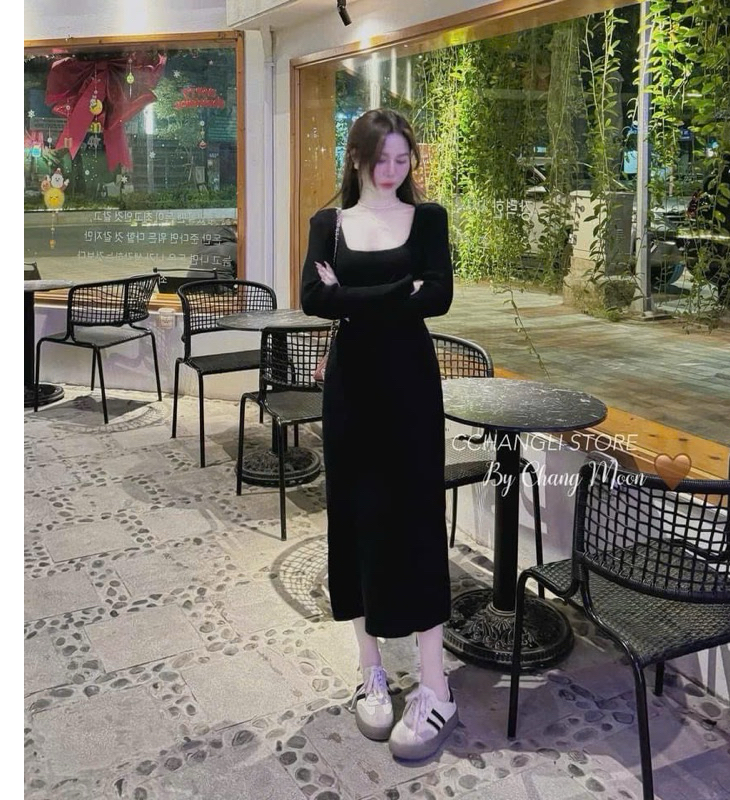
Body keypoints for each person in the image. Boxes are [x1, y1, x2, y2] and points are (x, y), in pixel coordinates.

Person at [300, 108, 456, 760]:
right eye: (380, 158)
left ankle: (436, 683)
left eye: (401, 159)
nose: (392, 171)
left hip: (410, 385)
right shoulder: (329, 224)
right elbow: (312, 298)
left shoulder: (429, 219)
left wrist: (354, 296)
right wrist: (398, 291)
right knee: (354, 518)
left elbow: (438, 296)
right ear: (357, 158)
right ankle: (370, 669)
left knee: (417, 519)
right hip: (351, 389)